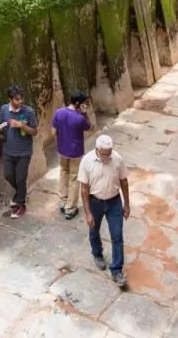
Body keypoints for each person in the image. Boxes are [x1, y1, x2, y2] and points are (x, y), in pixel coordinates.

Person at [78, 134, 130, 289]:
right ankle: (97, 253)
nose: (107, 157)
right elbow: (84, 189)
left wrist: (126, 204)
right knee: (94, 229)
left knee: (117, 235)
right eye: (104, 154)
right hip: (95, 201)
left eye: (109, 153)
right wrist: (87, 212)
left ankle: (116, 269)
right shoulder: (87, 161)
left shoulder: (117, 159)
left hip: (114, 201)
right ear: (97, 149)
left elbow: (124, 182)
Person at [0, 85, 37, 219]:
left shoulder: (29, 112)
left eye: (21, 98)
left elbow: (34, 131)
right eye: (17, 99)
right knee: (8, 175)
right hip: (8, 150)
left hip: (24, 152)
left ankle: (21, 205)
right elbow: (0, 124)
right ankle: (20, 193)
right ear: (10, 99)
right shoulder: (4, 109)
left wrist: (21, 125)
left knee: (21, 179)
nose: (20, 101)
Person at [52, 90, 92, 220]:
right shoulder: (79, 118)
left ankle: (63, 201)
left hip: (62, 150)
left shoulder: (59, 112)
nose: (84, 105)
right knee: (74, 178)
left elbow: (54, 132)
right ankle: (71, 208)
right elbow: (89, 127)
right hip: (75, 153)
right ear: (77, 103)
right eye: (83, 103)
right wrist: (85, 114)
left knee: (63, 172)